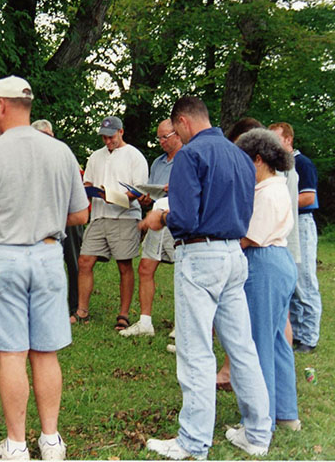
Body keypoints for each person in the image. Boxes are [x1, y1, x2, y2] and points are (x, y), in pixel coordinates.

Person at [0, 76, 89, 460]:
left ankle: (15, 445)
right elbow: (80, 213)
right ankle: (50, 440)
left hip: (3, 257)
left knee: (12, 353)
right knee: (46, 352)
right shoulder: (61, 152)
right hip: (48, 255)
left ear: (2, 105)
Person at [141, 96, 272, 459]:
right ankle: (258, 433)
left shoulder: (190, 155)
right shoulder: (239, 155)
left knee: (195, 349)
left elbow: (183, 218)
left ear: (182, 121)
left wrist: (160, 218)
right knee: (242, 347)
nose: (175, 137)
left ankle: (193, 441)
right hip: (234, 253)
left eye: (174, 130)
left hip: (200, 255)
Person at [234, 129, 300, 429]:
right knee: (276, 341)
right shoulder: (276, 186)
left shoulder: (268, 191)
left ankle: (261, 420)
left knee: (258, 342)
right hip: (279, 261)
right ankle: (286, 412)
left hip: (265, 263)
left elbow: (248, 238)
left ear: (258, 159)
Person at [76, 116, 148, 330]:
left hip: (125, 217)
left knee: (124, 264)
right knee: (85, 261)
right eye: (104, 138)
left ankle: (123, 314)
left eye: (111, 137)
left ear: (121, 132)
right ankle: (82, 310)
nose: (107, 142)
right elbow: (87, 181)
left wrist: (114, 196)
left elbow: (139, 189)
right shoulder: (96, 157)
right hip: (99, 215)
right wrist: (89, 189)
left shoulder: (135, 156)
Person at [120, 119, 183, 337]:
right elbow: (152, 191)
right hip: (157, 217)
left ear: (177, 134)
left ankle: (181, 324)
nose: (161, 142)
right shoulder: (158, 162)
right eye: (159, 138)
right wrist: (146, 198)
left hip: (177, 218)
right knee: (146, 267)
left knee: (182, 271)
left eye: (165, 137)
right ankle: (145, 322)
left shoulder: (188, 158)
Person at [269, 122, 320, 353]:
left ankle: (309, 336)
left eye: (275, 138)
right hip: (283, 223)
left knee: (304, 279)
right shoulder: (277, 165)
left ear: (288, 140)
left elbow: (308, 197)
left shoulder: (302, 164)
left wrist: (281, 200)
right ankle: (295, 332)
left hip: (301, 223)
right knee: (289, 279)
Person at [31, 119, 84, 318]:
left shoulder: (64, 154)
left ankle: (76, 306)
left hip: (69, 216)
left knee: (74, 262)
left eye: (49, 136)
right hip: (43, 220)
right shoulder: (31, 159)